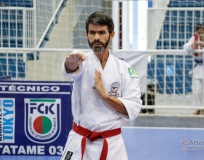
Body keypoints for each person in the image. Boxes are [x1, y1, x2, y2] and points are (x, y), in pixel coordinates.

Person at [60, 11, 142, 160]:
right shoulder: (82, 61)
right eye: (92, 32)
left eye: (101, 32)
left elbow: (134, 108)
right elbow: (71, 70)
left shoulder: (125, 70)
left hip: (112, 144)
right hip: (80, 140)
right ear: (86, 34)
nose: (96, 37)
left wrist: (104, 95)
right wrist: (71, 62)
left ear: (111, 34)